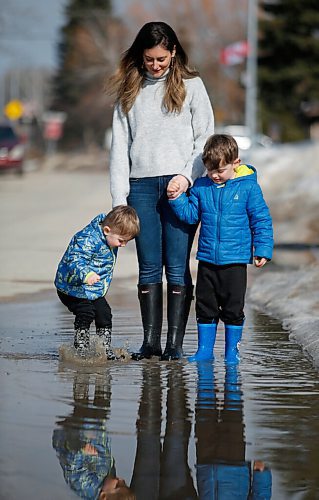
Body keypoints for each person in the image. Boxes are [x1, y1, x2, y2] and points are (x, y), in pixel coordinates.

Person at [106, 21, 215, 361]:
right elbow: (119, 149)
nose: (155, 65)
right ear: (140, 56)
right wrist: (118, 201)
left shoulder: (191, 86)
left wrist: (186, 176)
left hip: (179, 189)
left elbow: (206, 139)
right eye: (149, 59)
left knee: (177, 267)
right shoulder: (129, 91)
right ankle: (151, 344)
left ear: (173, 53)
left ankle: (175, 346)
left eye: (161, 59)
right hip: (140, 187)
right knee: (149, 268)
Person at [168, 133, 273, 363]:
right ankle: (205, 351)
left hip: (235, 262)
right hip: (207, 259)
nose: (215, 175)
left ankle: (231, 352)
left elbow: (261, 219)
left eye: (220, 170)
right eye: (210, 170)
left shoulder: (248, 188)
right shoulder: (201, 187)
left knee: (233, 308)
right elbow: (190, 215)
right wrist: (177, 199)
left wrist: (262, 248)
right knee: (205, 306)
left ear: (235, 163)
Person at [54, 205, 140, 358]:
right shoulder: (87, 238)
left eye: (126, 241)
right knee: (86, 312)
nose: (123, 245)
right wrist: (86, 274)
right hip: (71, 287)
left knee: (104, 314)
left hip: (92, 289)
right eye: (121, 241)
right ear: (106, 230)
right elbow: (74, 259)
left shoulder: (110, 235)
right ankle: (81, 348)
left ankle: (104, 349)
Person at [52, 369, 136, 499]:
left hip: (72, 439)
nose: (121, 479)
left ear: (104, 497)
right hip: (96, 431)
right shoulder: (109, 480)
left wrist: (82, 451)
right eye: (124, 483)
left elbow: (72, 468)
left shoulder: (85, 487)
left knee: (81, 407)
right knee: (103, 408)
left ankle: (81, 368)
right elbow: (107, 457)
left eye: (118, 485)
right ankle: (102, 371)